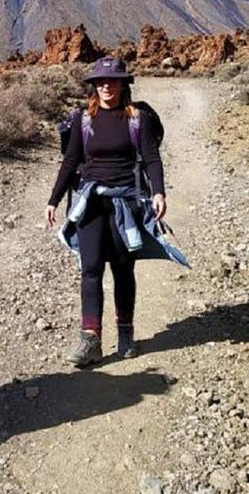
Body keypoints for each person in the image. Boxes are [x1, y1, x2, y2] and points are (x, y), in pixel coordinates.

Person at [46, 56, 183, 368]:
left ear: (124, 84)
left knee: (123, 270)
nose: (107, 86)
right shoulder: (83, 119)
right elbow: (70, 161)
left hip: (127, 203)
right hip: (91, 204)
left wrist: (159, 191)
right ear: (94, 86)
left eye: (113, 80)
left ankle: (125, 332)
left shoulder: (138, 119)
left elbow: (152, 157)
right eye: (101, 81)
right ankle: (90, 339)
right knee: (90, 269)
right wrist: (53, 199)